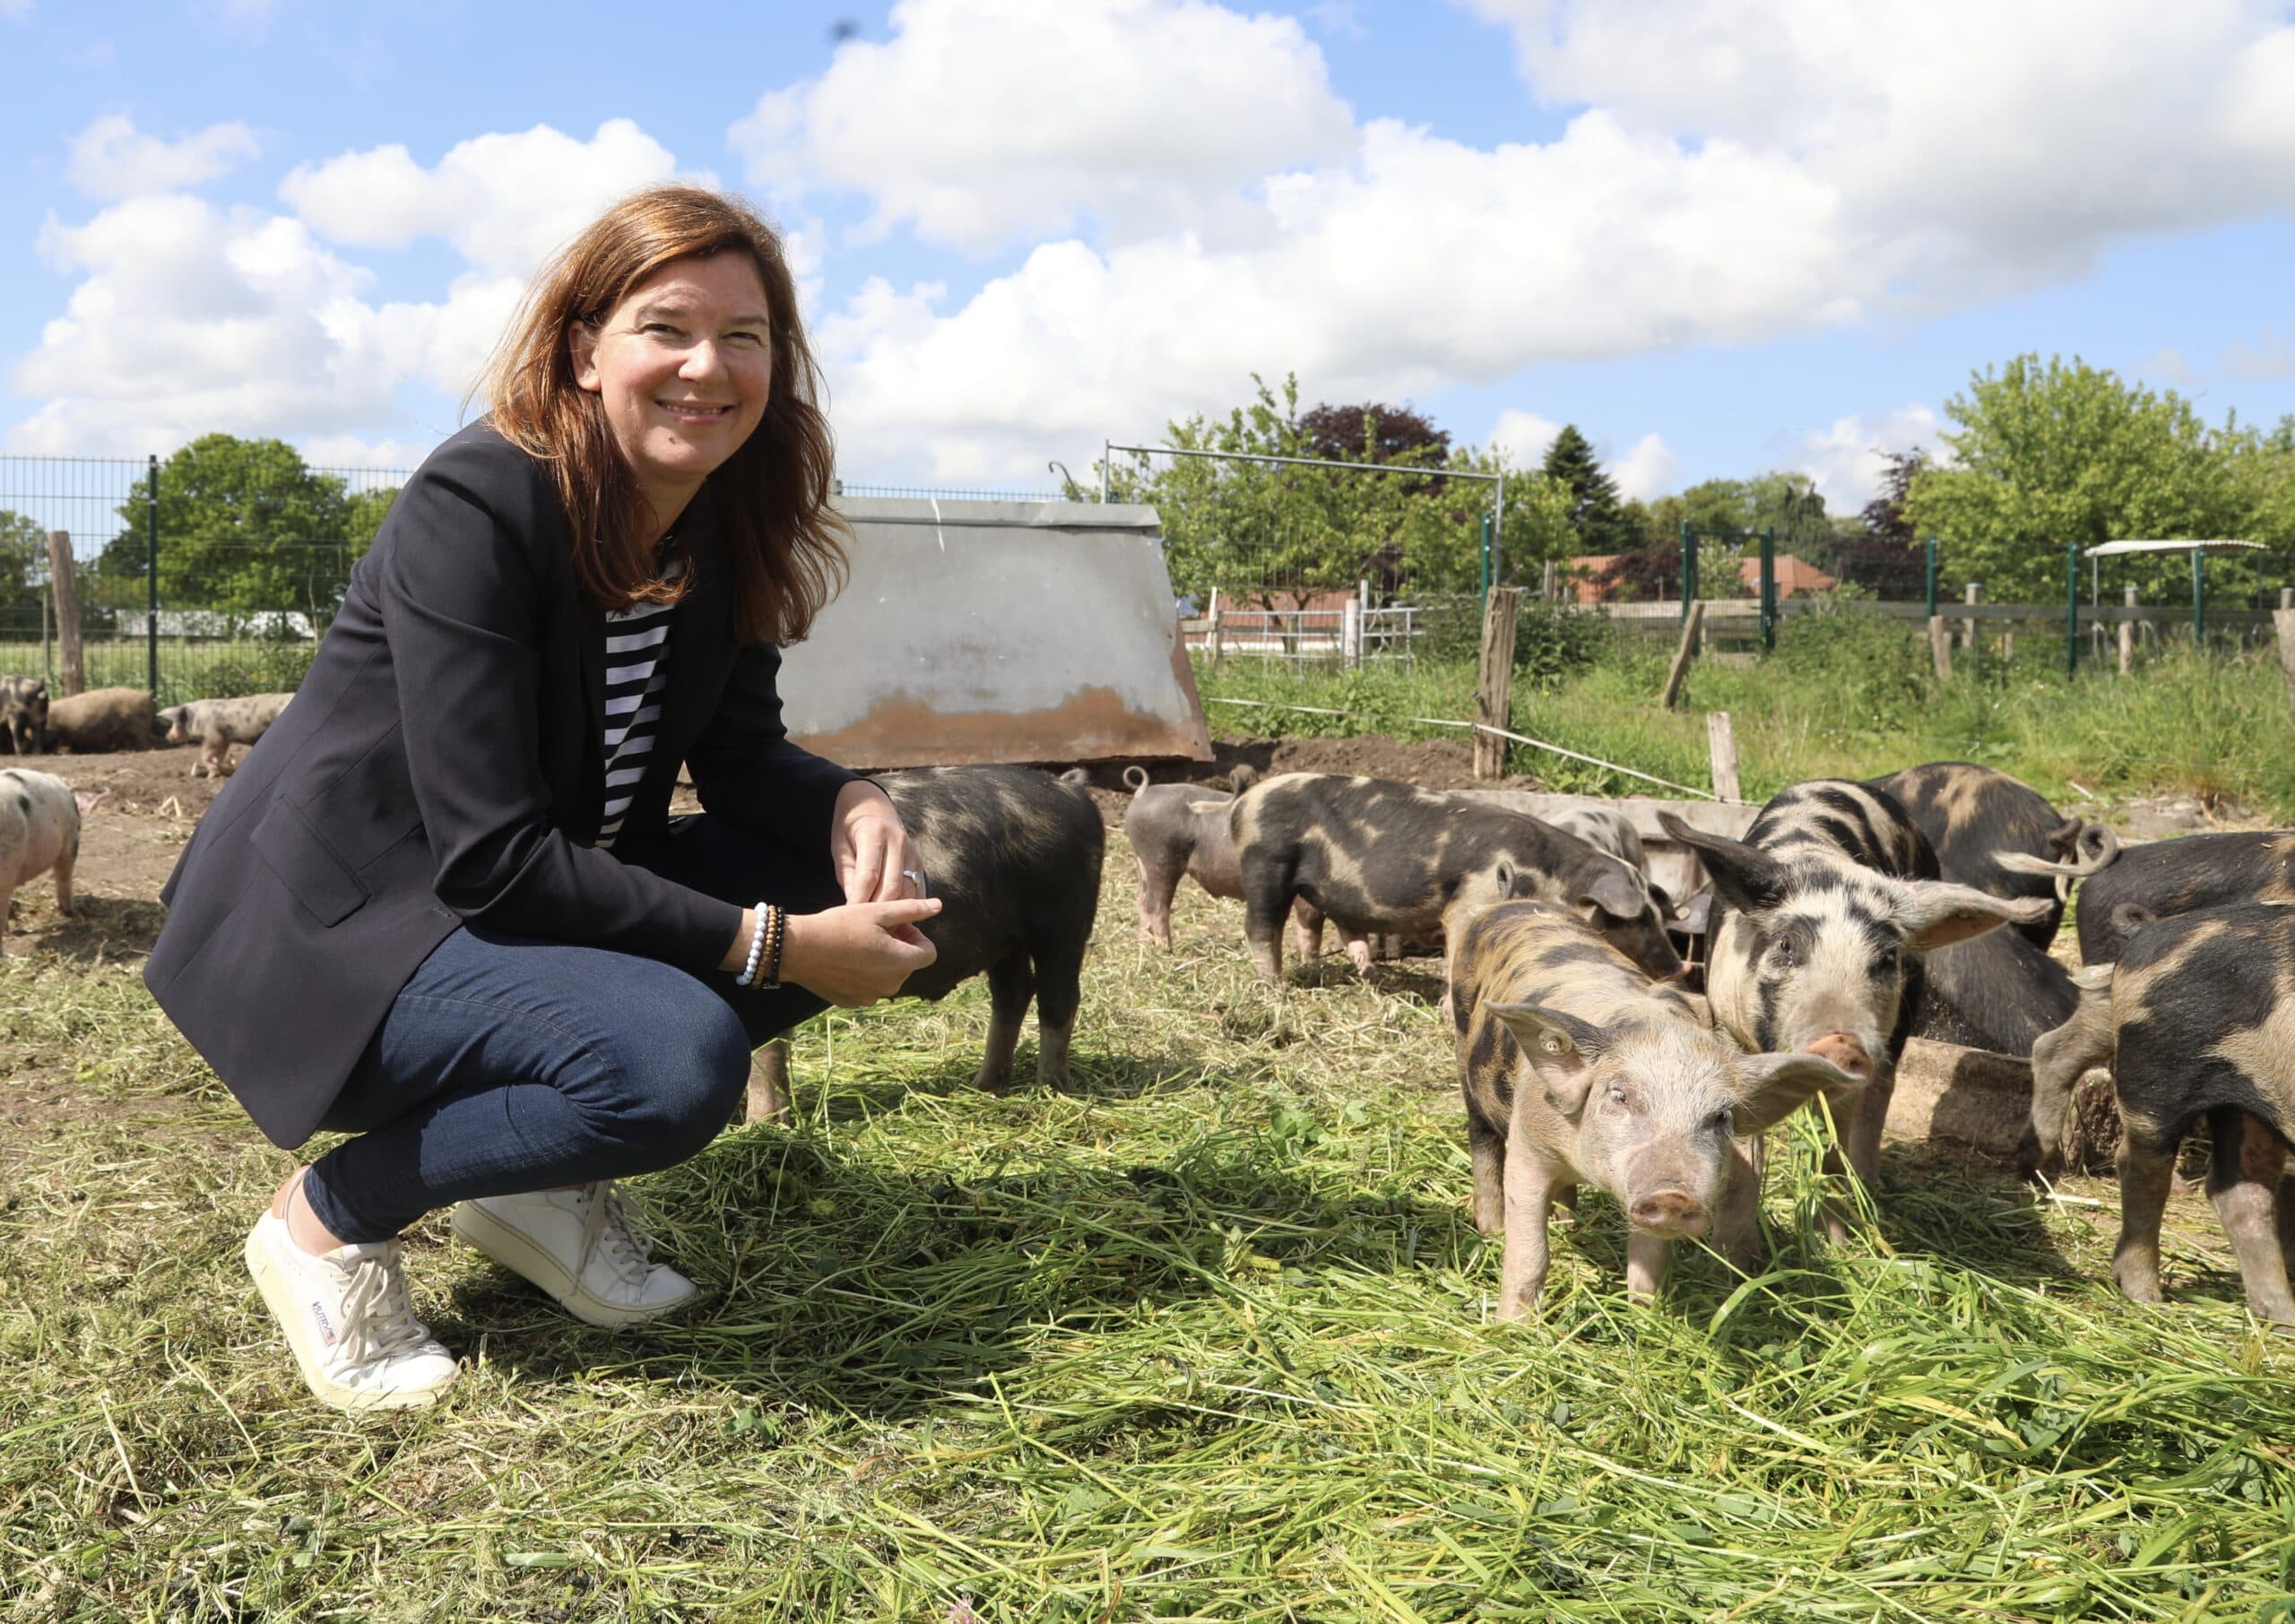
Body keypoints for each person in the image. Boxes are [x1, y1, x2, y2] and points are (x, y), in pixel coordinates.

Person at [144, 186, 940, 1412]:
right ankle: (326, 1221)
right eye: (665, 328)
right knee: (675, 1065)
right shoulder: (482, 502)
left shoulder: (723, 520)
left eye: (744, 337)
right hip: (352, 927)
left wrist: (853, 803)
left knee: (871, 892)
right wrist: (778, 946)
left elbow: (738, 760)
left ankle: (527, 1182)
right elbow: (494, 852)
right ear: (583, 351)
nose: (705, 367)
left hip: (504, 891)